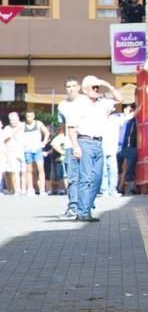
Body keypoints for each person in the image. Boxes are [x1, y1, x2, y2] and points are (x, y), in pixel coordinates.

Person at [71, 76, 123, 222]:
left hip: (99, 143)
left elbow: (120, 99)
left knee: (98, 179)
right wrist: (75, 146)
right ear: (85, 89)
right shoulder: (79, 103)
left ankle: (87, 207)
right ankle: (83, 211)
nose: (96, 90)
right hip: (84, 141)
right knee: (85, 179)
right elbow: (71, 127)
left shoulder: (103, 103)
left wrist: (107, 84)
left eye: (97, 87)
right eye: (93, 87)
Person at [57, 77, 84, 218]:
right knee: (72, 177)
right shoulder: (62, 105)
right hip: (69, 146)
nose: (71, 88)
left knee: (86, 177)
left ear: (79, 87)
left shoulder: (86, 102)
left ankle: (85, 206)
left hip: (86, 143)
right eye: (68, 86)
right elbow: (61, 127)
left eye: (74, 85)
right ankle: (73, 206)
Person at [22, 111, 50, 196]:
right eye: (27, 116)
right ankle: (30, 189)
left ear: (33, 116)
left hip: (37, 149)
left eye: (31, 116)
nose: (29, 118)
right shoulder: (23, 125)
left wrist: (44, 142)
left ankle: (42, 189)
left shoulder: (38, 124)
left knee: (40, 169)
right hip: (27, 150)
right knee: (29, 170)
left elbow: (47, 132)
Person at [1, 113, 25, 195]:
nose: (12, 122)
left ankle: (25, 189)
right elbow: (4, 139)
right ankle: (17, 189)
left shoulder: (24, 125)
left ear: (18, 118)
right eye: (10, 120)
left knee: (24, 171)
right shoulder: (7, 128)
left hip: (23, 150)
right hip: (12, 151)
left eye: (14, 120)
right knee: (15, 171)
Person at [118, 107, 138, 195]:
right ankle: (122, 187)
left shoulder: (132, 121)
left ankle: (121, 187)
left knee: (125, 168)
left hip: (126, 147)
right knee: (124, 168)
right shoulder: (124, 120)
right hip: (124, 147)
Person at [46, 129, 69, 195]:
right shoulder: (60, 137)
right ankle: (62, 189)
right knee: (61, 175)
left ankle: (66, 189)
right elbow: (54, 144)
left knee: (65, 175)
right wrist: (63, 152)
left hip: (67, 158)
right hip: (61, 159)